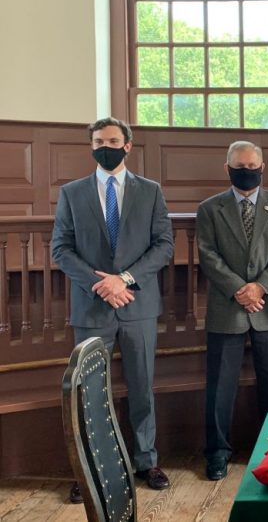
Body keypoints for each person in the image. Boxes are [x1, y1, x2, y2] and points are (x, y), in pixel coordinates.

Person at [52, 117, 174, 501]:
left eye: (113, 140)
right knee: (89, 393)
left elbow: (164, 246)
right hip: (91, 309)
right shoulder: (72, 193)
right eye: (99, 140)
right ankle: (89, 469)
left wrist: (124, 279)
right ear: (91, 146)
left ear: (128, 145)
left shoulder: (150, 191)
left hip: (137, 305)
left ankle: (145, 462)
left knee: (142, 388)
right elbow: (61, 248)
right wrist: (99, 283)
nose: (105, 145)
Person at [196, 141, 268, 481]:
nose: (247, 170)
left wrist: (259, 287)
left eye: (253, 165)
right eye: (240, 165)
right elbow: (208, 254)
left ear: (263, 166)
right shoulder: (210, 208)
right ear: (227, 168)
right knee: (220, 386)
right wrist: (240, 289)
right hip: (228, 305)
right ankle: (218, 453)